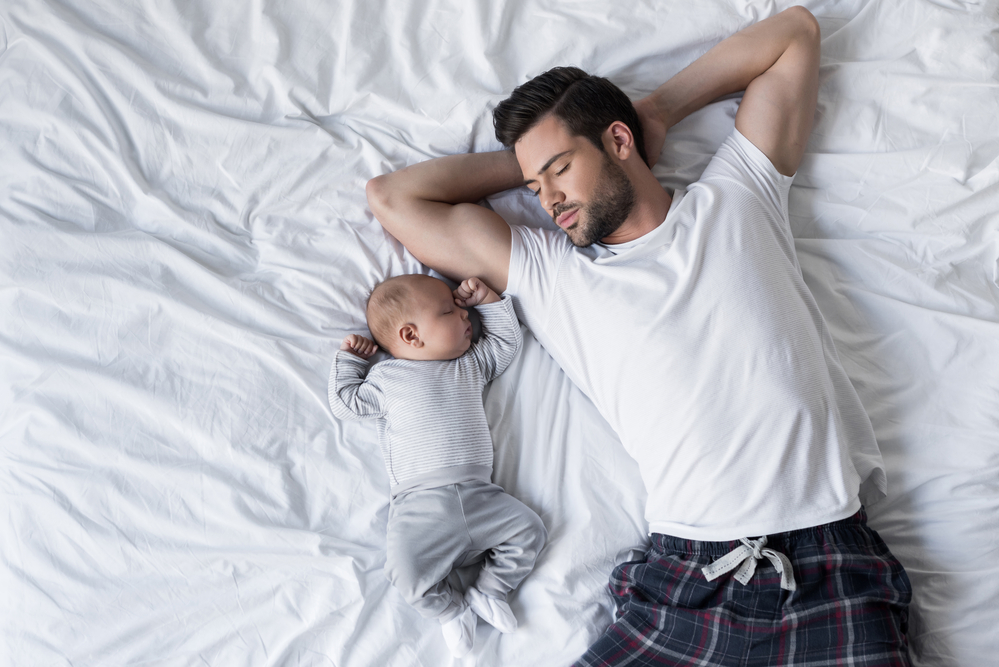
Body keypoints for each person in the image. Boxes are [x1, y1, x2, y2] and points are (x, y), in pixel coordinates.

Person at [365, 6, 911, 666]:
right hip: (689, 582)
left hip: (830, 569)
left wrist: (655, 110)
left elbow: (795, 34)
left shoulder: (739, 196)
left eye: (560, 169)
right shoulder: (552, 272)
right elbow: (392, 197)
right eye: (536, 186)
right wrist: (535, 160)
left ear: (618, 140)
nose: (548, 199)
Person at [328, 274, 546, 658]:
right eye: (449, 310)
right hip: (421, 505)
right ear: (411, 335)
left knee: (530, 530)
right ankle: (449, 611)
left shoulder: (469, 363)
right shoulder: (386, 378)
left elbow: (505, 342)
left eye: (461, 308)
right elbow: (347, 402)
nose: (463, 314)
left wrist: (487, 301)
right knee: (404, 571)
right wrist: (351, 359)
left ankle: (490, 590)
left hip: (482, 496)